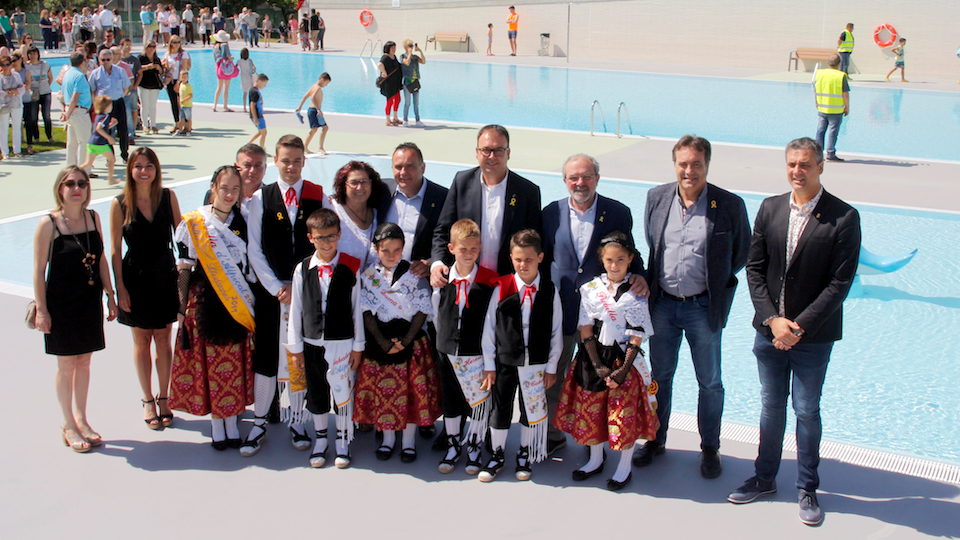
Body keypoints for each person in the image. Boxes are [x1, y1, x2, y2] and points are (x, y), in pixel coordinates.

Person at [728, 137, 861, 526]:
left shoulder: (844, 217)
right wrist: (772, 321)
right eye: (791, 164)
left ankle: (807, 487)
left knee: (806, 410)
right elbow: (754, 269)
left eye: (805, 164)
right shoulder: (770, 209)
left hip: (811, 338)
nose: (797, 171)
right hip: (769, 332)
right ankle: (765, 477)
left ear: (820, 166)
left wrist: (797, 327)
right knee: (771, 408)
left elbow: (840, 284)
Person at [635, 135, 751, 478]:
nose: (689, 171)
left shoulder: (729, 205)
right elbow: (652, 244)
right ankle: (656, 439)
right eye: (683, 164)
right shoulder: (656, 198)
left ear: (707, 165)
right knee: (660, 376)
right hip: (664, 307)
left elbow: (741, 253)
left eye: (696, 164)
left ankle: (710, 447)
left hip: (703, 307)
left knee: (710, 381)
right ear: (675, 165)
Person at [541, 153, 647, 456]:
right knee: (554, 375)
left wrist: (640, 275)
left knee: (596, 379)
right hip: (560, 311)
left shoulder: (617, 212)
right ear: (564, 181)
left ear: (597, 179)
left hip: (600, 318)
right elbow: (543, 258)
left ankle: (594, 439)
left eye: (587, 176)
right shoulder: (550, 213)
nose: (580, 182)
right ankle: (553, 434)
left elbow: (629, 253)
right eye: (574, 177)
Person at [245, 134, 330, 457]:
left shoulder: (317, 196)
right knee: (266, 356)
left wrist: (299, 286)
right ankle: (260, 422)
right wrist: (275, 287)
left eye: (296, 160)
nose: (291, 166)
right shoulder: (260, 199)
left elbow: (322, 245)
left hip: (304, 293)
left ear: (304, 161)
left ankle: (298, 420)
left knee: (299, 357)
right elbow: (255, 248)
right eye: (285, 160)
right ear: (275, 162)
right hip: (271, 293)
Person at [554, 231, 658, 490]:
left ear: (630, 260)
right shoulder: (591, 290)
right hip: (594, 358)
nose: (614, 265)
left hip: (623, 360)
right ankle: (596, 459)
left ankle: (624, 466)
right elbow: (586, 329)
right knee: (594, 409)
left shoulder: (636, 293)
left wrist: (622, 371)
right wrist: (598, 364)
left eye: (620, 259)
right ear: (602, 260)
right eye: (610, 260)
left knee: (623, 413)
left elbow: (636, 337)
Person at [169, 165, 256, 449]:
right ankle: (218, 423)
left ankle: (232, 420)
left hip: (236, 303)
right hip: (206, 301)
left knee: (232, 362)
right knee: (214, 363)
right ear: (213, 188)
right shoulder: (195, 222)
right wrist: (181, 306)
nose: (230, 194)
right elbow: (184, 267)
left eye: (235, 189)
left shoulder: (244, 221)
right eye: (224, 188)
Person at [34, 166, 118, 453]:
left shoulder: (93, 217)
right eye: (69, 183)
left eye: (82, 183)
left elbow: (101, 259)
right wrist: (42, 311)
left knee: (84, 362)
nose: (76, 188)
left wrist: (110, 293)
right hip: (60, 304)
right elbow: (37, 270)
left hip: (88, 301)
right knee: (66, 364)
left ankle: (82, 419)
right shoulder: (49, 224)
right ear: (60, 188)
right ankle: (68, 424)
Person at [479, 229, 562, 482]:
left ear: (540, 258)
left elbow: (556, 331)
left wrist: (551, 367)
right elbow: (489, 329)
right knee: (501, 407)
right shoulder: (502, 287)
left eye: (528, 259)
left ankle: (525, 452)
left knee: (530, 408)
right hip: (505, 361)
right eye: (518, 259)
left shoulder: (549, 290)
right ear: (511, 258)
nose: (523, 264)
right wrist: (489, 364)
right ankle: (497, 453)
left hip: (535, 364)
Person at [355, 223, 441, 463]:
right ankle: (388, 439)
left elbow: (422, 310)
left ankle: (409, 441)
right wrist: (383, 343)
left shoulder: (413, 273)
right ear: (376, 249)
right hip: (380, 344)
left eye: (397, 250)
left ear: (403, 248)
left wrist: (404, 340)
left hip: (410, 342)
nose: (392, 255)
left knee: (411, 393)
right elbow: (367, 312)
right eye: (386, 250)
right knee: (386, 393)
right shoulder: (369, 275)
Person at [110, 147, 182, 431]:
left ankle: (164, 397)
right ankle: (147, 400)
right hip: (135, 277)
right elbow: (115, 250)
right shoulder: (120, 204)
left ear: (156, 169)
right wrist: (120, 289)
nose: (143, 171)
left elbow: (183, 237)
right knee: (141, 342)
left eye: (148, 165)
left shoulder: (168, 197)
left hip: (165, 274)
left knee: (164, 340)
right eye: (138, 166)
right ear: (130, 170)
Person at [287, 208, 364, 468]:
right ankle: (321, 439)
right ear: (310, 238)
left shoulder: (352, 267)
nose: (326, 243)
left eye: (331, 237)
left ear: (339, 235)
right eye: (320, 238)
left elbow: (357, 309)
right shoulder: (302, 270)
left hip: (342, 343)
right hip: (311, 344)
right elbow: (295, 310)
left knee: (342, 392)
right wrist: (295, 349)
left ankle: (343, 440)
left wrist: (357, 347)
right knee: (317, 392)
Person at [431, 124, 543, 283]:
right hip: (467, 280)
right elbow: (443, 229)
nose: (492, 156)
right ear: (477, 152)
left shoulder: (528, 191)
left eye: (499, 150)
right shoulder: (461, 182)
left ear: (508, 153)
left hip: (508, 283)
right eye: (486, 150)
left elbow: (534, 242)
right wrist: (437, 263)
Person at [431, 219, 499, 474]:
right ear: (451, 249)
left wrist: (488, 361)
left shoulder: (489, 281)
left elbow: (491, 324)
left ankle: (473, 446)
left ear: (480, 247)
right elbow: (437, 316)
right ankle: (452, 446)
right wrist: (446, 342)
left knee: (478, 402)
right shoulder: (442, 280)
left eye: (473, 249)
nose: (468, 254)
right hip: (447, 352)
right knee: (450, 399)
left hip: (476, 354)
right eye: (463, 249)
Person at [328, 161, 383, 271]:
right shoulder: (331, 209)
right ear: (344, 185)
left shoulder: (379, 215)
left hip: (373, 286)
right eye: (353, 183)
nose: (359, 188)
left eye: (364, 182)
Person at [87, 48, 129, 164]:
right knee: (106, 130)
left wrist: (119, 96)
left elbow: (126, 87)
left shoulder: (120, 71)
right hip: (104, 105)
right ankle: (110, 157)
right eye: (103, 59)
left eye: (108, 59)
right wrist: (96, 105)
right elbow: (92, 90)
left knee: (123, 129)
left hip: (118, 102)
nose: (105, 61)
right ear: (99, 60)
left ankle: (125, 154)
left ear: (112, 59)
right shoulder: (95, 73)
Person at [813, 54, 850, 163]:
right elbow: (845, 94)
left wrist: (817, 102)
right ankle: (830, 153)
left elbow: (815, 89)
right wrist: (847, 107)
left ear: (828, 63)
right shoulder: (841, 76)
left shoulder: (820, 74)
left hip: (822, 107)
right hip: (836, 109)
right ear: (839, 63)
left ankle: (818, 155)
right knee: (833, 131)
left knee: (820, 131)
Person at [60, 52, 92, 169]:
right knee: (84, 142)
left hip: (71, 109)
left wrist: (66, 112)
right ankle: (83, 169)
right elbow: (75, 97)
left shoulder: (67, 74)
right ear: (82, 62)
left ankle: (70, 168)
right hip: (79, 111)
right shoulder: (79, 76)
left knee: (72, 143)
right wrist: (68, 113)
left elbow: (65, 95)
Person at [78, 96, 118, 184]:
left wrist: (111, 125)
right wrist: (109, 137)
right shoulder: (105, 116)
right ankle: (111, 179)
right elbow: (98, 128)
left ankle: (73, 174)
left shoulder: (99, 115)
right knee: (111, 160)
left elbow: (102, 128)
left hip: (91, 143)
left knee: (87, 163)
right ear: (106, 106)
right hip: (100, 144)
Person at [22, 47, 52, 156]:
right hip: (33, 93)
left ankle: (49, 136)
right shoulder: (26, 66)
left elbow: (50, 77)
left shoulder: (45, 65)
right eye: (31, 54)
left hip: (45, 92)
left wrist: (45, 87)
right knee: (33, 116)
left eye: (35, 53)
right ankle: (37, 137)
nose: (33, 56)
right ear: (28, 55)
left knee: (46, 115)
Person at [294, 72, 331, 154]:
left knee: (315, 129)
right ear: (322, 79)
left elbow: (305, 97)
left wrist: (299, 107)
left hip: (311, 110)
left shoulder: (313, 86)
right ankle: (319, 147)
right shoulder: (317, 88)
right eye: (326, 83)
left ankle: (305, 147)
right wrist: (318, 109)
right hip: (314, 111)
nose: (326, 85)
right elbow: (312, 98)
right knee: (324, 128)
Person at [161, 37, 189, 132]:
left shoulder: (183, 54)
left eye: (178, 42)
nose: (177, 44)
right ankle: (177, 123)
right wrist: (165, 66)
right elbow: (161, 64)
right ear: (170, 43)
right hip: (170, 80)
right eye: (174, 42)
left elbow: (184, 68)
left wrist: (178, 82)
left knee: (182, 103)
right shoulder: (167, 54)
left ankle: (185, 124)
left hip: (180, 80)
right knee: (173, 103)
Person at [0, 55, 25, 160]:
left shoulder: (16, 75)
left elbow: (22, 89)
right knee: (4, 128)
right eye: (2, 65)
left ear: (10, 64)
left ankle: (17, 150)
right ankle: (5, 152)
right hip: (4, 105)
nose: (5, 67)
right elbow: (1, 93)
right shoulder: (0, 77)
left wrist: (9, 92)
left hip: (16, 104)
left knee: (16, 127)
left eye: (7, 64)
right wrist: (13, 91)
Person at [137, 41, 162, 134]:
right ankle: (145, 125)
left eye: (153, 46)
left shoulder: (156, 59)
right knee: (144, 106)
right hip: (143, 84)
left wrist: (158, 68)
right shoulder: (141, 58)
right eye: (149, 46)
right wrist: (147, 67)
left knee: (152, 106)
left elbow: (161, 71)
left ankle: (153, 125)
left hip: (154, 85)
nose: (151, 48)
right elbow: (137, 69)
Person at [119, 39, 141, 141]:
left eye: (130, 45)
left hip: (132, 89)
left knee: (133, 109)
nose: (128, 47)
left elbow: (139, 73)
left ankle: (133, 131)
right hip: (122, 90)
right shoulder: (117, 60)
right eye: (126, 45)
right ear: (122, 46)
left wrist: (135, 85)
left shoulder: (134, 60)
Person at [400, 40, 425, 128]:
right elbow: (406, 62)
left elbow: (423, 61)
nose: (411, 47)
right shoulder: (402, 56)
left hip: (415, 82)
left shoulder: (415, 57)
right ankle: (405, 119)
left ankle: (417, 119)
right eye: (409, 46)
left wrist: (420, 51)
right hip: (407, 82)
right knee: (407, 103)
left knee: (416, 103)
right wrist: (409, 54)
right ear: (406, 47)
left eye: (412, 46)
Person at [377, 41, 403, 127]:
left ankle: (395, 118)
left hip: (396, 83)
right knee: (390, 101)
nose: (394, 49)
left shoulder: (394, 57)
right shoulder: (385, 57)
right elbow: (380, 64)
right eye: (392, 48)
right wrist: (384, 72)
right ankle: (388, 120)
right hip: (389, 83)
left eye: (394, 48)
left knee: (398, 99)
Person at [212, 30, 234, 112]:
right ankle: (225, 106)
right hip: (226, 68)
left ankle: (215, 105)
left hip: (219, 68)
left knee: (219, 87)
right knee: (226, 87)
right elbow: (228, 56)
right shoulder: (225, 45)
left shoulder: (215, 46)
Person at [248, 73, 268, 147]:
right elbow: (252, 106)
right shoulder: (254, 92)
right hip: (257, 116)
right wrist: (255, 118)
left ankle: (248, 144)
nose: (265, 86)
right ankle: (262, 149)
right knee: (264, 133)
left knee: (260, 132)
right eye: (264, 84)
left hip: (259, 115)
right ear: (259, 82)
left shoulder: (255, 90)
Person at [238, 47, 256, 113]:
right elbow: (254, 68)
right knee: (251, 94)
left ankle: (244, 108)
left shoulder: (239, 61)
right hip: (250, 77)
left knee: (245, 93)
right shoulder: (250, 60)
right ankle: (251, 108)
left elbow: (235, 66)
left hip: (243, 78)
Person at [175, 70, 192, 135]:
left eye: (185, 77)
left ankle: (189, 130)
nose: (183, 79)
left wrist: (183, 100)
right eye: (182, 77)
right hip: (182, 105)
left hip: (187, 105)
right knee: (181, 118)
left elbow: (190, 96)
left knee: (188, 119)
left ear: (188, 77)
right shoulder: (181, 85)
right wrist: (179, 100)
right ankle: (180, 129)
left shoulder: (188, 86)